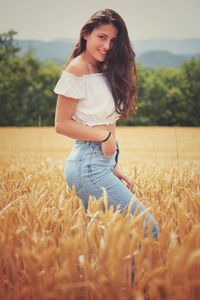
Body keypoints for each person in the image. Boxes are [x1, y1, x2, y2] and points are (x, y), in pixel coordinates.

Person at [53, 8, 159, 240]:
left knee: (108, 240)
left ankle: (119, 278)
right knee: (147, 228)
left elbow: (100, 118)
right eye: (102, 37)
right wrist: (105, 137)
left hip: (99, 163)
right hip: (87, 164)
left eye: (113, 40)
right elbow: (61, 124)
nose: (107, 46)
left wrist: (112, 167)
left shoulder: (105, 69)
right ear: (86, 34)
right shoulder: (77, 68)